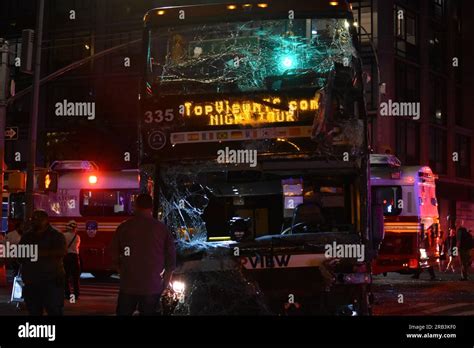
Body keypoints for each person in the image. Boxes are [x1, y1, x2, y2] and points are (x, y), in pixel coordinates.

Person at [109, 194, 176, 315]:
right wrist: (164, 283)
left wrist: (122, 272)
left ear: (135, 206)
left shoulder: (124, 227)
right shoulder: (162, 229)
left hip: (128, 285)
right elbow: (171, 260)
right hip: (152, 286)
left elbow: (113, 255)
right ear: (151, 207)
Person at [19, 210, 67, 316]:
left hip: (51, 280)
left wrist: (39, 252)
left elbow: (62, 251)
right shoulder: (27, 236)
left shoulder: (56, 235)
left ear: (46, 220)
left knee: (54, 310)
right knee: (34, 310)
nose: (34, 222)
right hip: (32, 281)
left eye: (38, 219)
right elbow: (20, 254)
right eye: (33, 219)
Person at [63, 220, 81, 300]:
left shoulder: (64, 235)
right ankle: (76, 294)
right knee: (75, 277)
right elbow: (77, 247)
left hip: (66, 257)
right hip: (75, 257)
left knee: (66, 276)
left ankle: (67, 294)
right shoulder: (77, 236)